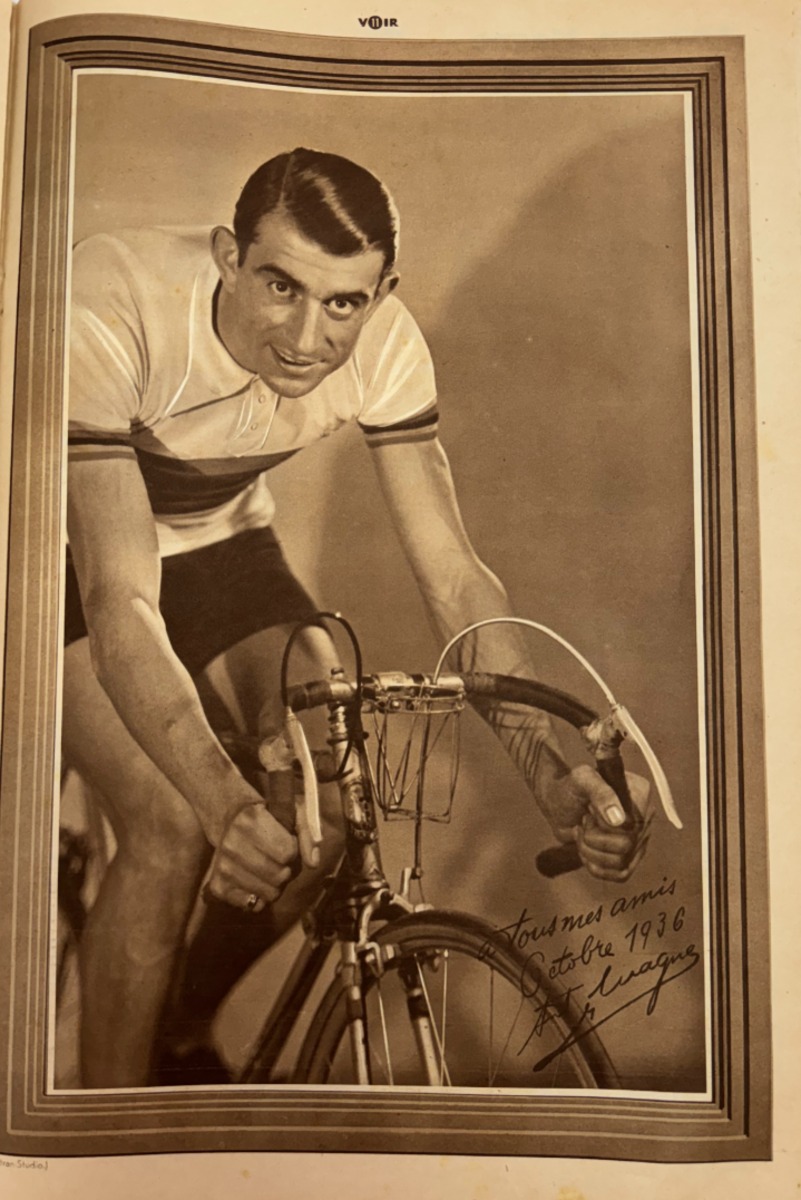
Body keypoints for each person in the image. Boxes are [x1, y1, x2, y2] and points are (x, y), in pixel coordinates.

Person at [64, 147, 649, 1089]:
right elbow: (120, 599)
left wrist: (550, 774)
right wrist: (219, 803)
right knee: (173, 826)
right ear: (226, 255)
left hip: (218, 535)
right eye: (280, 287)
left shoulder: (384, 343)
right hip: (66, 548)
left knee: (330, 809)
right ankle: (99, 1140)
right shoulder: (110, 297)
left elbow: (455, 580)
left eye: (343, 302)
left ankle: (173, 1030)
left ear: (381, 292)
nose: (307, 336)